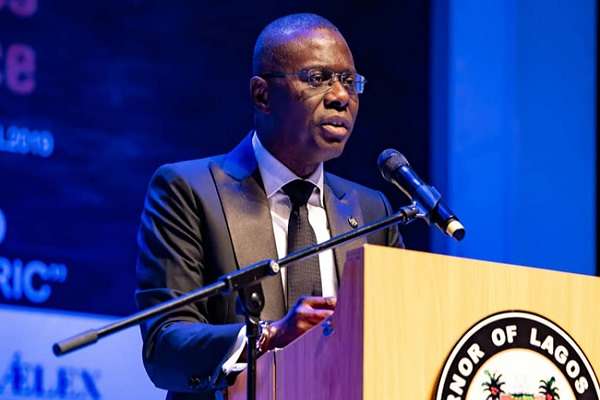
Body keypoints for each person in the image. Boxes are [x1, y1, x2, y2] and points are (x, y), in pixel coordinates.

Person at [135, 13, 404, 400]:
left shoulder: (373, 211)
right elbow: (165, 345)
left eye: (349, 82)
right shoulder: (189, 191)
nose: (341, 97)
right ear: (262, 95)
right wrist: (270, 336)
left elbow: (398, 338)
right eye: (318, 78)